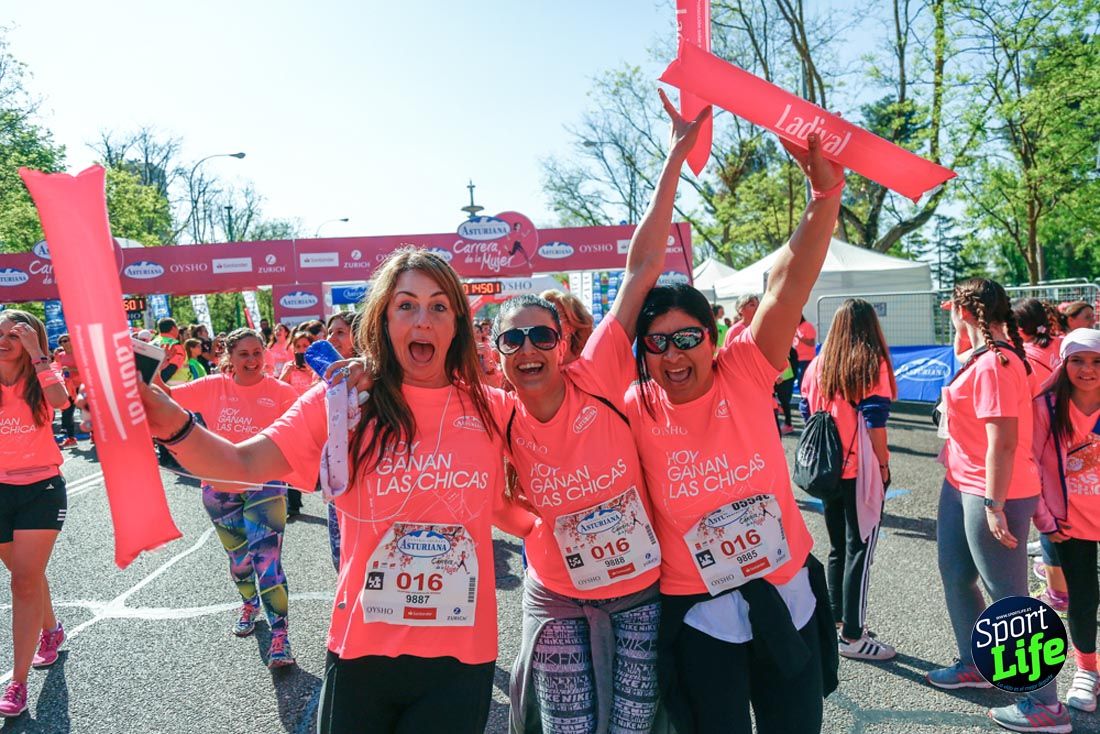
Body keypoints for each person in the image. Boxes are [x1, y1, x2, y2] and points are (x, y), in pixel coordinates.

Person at [138, 247, 533, 734]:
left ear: (457, 323)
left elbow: (529, 509)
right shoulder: (344, 403)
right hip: (362, 649)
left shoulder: (496, 410)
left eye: (438, 306)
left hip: (460, 657)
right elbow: (238, 465)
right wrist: (171, 423)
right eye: (406, 305)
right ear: (384, 320)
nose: (422, 321)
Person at [502, 92, 708, 734]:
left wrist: (675, 152)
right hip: (558, 593)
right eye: (513, 339)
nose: (529, 347)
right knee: (567, 727)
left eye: (542, 335)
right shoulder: (491, 413)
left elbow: (641, 267)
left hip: (639, 589)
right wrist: (529, 524)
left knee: (634, 724)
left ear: (563, 344)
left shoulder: (599, 371)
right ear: (498, 354)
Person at [627, 131, 845, 734]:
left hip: (786, 597)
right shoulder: (634, 407)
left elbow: (787, 281)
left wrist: (824, 194)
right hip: (700, 617)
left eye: (688, 337)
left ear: (712, 336)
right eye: (659, 343)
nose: (674, 355)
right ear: (644, 351)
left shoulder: (744, 371)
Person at [927, 278, 1071, 732]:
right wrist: (963, 326)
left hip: (994, 490)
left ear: (966, 312)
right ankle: (975, 664)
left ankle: (1044, 704)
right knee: (956, 575)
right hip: (962, 483)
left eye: (955, 308)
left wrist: (993, 504)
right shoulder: (986, 357)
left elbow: (1004, 443)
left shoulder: (997, 363)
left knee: (1008, 599)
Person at [165, 328, 300, 668]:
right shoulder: (212, 386)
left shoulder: (281, 393)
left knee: (267, 562)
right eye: (244, 354)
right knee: (239, 561)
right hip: (219, 488)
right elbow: (163, 397)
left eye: (258, 353)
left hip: (266, 486)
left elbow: (303, 431)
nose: (253, 360)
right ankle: (249, 602)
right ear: (229, 355)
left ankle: (280, 637)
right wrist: (162, 366)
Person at [799, 299, 897, 661]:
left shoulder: (817, 366)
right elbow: (875, 423)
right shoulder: (870, 364)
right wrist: (884, 467)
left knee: (839, 547)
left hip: (826, 470)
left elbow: (805, 411)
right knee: (861, 548)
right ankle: (854, 636)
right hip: (860, 471)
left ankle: (840, 621)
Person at [0, 311, 71, 718]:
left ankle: (18, 682)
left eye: (15, 335)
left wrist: (37, 354)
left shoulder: (43, 374)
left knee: (23, 582)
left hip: (40, 489)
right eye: (0, 334)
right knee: (25, 574)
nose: (5, 340)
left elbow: (61, 401)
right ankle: (51, 630)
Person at [1033, 329, 1100, 713]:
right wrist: (1044, 517)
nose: (1086, 370)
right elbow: (1031, 462)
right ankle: (1086, 670)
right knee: (1083, 598)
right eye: (1077, 360)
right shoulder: (1046, 405)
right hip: (1069, 521)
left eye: (1096, 361)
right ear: (1064, 362)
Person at [1015, 298, 1070, 611]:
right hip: (1080, 437)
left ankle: (1059, 593)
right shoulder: (1065, 345)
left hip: (1042, 444)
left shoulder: (1022, 357)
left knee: (1051, 519)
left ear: (1019, 327)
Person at [323, 310, 360, 572]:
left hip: (371, 478)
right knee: (340, 559)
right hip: (337, 480)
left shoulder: (378, 375)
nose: (332, 338)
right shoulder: (324, 375)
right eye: (330, 332)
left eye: (340, 332)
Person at [278, 331, 319, 519]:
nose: (302, 350)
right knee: (292, 460)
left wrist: (312, 373)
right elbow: (276, 390)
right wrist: (286, 374)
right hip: (293, 420)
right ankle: (293, 502)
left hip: (314, 419)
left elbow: (321, 391)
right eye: (298, 346)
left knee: (313, 460)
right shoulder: (289, 367)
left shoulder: (318, 367)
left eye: (305, 346)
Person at [541, 289, 595, 365]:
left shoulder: (590, 362)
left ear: (573, 325)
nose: (546, 325)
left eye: (556, 317)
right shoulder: (537, 367)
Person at [54, 334, 79, 448]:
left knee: (88, 412)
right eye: (61, 342)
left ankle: (94, 435)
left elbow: (86, 368)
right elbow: (56, 368)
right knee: (67, 413)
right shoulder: (60, 355)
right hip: (68, 387)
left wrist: (71, 369)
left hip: (81, 386)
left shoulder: (79, 354)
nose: (64, 343)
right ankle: (71, 438)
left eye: (66, 340)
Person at [153, 318, 189, 386]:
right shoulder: (174, 344)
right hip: (176, 386)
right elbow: (172, 368)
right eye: (177, 327)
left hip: (156, 385)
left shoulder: (152, 342)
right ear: (173, 328)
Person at [793, 315, 817, 388]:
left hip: (807, 358)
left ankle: (805, 396)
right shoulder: (796, 328)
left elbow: (812, 343)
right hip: (797, 358)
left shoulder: (807, 326)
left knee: (803, 379)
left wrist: (800, 338)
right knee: (796, 378)